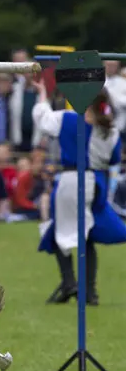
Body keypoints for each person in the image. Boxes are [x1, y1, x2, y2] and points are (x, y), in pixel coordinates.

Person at [32, 83, 126, 305]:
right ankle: (88, 292)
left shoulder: (68, 119)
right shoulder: (109, 130)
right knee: (87, 236)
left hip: (71, 182)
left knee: (60, 233)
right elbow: (113, 160)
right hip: (97, 183)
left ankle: (70, 284)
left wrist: (41, 93)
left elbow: (42, 118)